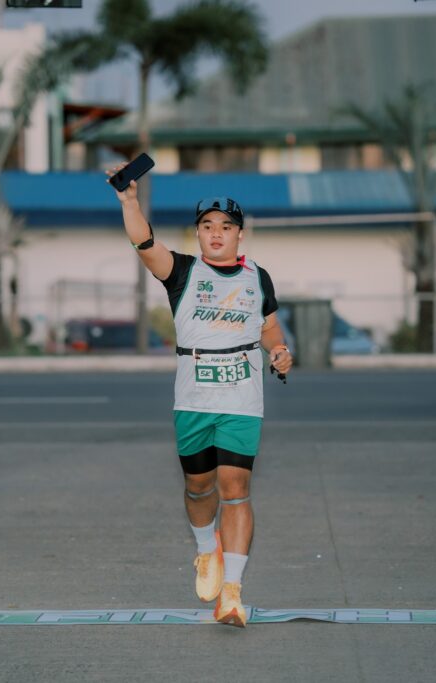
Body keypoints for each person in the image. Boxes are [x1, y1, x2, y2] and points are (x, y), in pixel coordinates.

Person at [106, 163, 293, 628]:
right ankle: (207, 550)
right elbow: (144, 244)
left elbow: (269, 327)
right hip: (193, 399)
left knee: (236, 488)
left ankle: (232, 593)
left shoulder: (258, 277)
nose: (216, 233)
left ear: (239, 234)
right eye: (208, 226)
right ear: (198, 233)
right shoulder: (182, 272)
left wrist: (279, 350)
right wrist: (130, 201)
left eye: (225, 227)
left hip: (242, 398)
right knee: (199, 487)